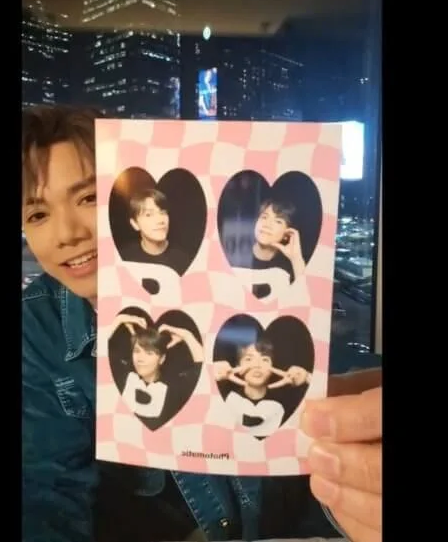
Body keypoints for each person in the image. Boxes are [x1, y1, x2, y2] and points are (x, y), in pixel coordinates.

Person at [22, 104, 382, 542]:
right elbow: (45, 491)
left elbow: (320, 450)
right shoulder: (38, 327)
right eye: (37, 214)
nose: (66, 234)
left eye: (88, 198)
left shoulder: (238, 284)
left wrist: (353, 502)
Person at [112, 314, 203, 427]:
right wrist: (119, 319)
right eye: (137, 351)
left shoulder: (174, 389)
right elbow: (101, 354)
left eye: (149, 353)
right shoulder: (121, 377)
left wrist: (187, 336)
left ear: (162, 359)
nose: (140, 359)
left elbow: (202, 370)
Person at [214, 337, 311, 439]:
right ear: (238, 365)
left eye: (264, 359)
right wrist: (209, 372)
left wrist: (307, 377)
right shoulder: (223, 396)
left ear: (272, 366)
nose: (257, 365)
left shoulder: (288, 402)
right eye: (249, 359)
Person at [121, 188, 190, 273]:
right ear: (135, 224)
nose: (160, 220)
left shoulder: (184, 260)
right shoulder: (125, 258)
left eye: (163, 213)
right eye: (149, 215)